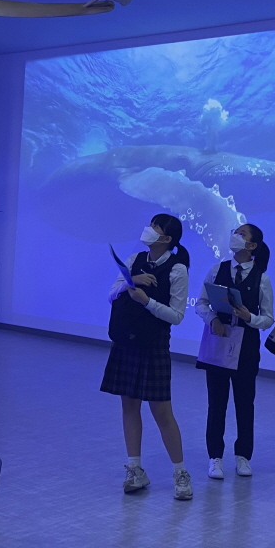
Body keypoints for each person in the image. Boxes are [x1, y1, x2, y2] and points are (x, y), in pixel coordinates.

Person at [101, 214, 193, 501]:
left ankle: (180, 473)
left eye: (156, 227)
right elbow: (111, 294)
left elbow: (176, 316)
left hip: (153, 344)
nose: (149, 230)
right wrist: (132, 283)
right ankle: (135, 469)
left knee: (162, 412)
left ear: (166, 239)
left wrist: (147, 300)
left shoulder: (178, 269)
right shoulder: (134, 259)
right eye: (151, 224)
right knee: (129, 406)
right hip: (126, 341)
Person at [195, 223, 274, 481]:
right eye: (235, 233)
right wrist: (212, 320)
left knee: (244, 403)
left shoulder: (261, 278)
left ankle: (243, 455)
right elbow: (201, 303)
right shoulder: (217, 269)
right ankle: (215, 456)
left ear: (252, 246)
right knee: (216, 403)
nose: (235, 237)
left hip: (246, 346)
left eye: (242, 234)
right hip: (218, 341)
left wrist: (250, 317)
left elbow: (268, 318)